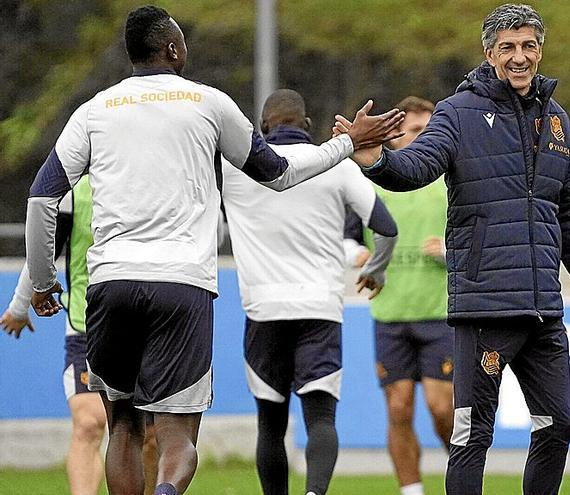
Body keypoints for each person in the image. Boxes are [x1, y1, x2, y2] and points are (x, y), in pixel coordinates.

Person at [23, 5, 403, 495]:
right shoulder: (208, 103)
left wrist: (41, 281)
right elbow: (279, 174)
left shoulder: (94, 110)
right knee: (178, 433)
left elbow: (41, 197)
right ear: (173, 49)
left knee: (122, 424)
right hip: (182, 285)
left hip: (110, 282)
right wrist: (346, 144)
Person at [336, 5, 570, 494]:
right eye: (508, 48)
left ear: (540, 50)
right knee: (470, 435)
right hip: (484, 307)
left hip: (543, 307)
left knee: (558, 424)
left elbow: (567, 207)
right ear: (489, 54)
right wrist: (375, 159)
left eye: (529, 46)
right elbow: (415, 168)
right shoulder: (457, 112)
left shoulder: (557, 118)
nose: (520, 58)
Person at [221, 88, 398, 495]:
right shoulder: (336, 166)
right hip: (319, 307)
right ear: (307, 125)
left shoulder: (234, 169)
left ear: (263, 127)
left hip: (262, 309)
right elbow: (385, 227)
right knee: (320, 420)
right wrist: (376, 271)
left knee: (271, 425)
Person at [2, 179, 159, 495]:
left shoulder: (152, 178)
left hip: (147, 326)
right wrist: (19, 306)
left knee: (151, 432)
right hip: (87, 325)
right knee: (89, 422)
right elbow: (44, 247)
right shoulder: (76, 190)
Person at [347, 96, 454, 495]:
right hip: (390, 313)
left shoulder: (448, 181)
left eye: (429, 131)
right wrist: (357, 253)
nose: (423, 138)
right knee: (398, 407)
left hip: (440, 312)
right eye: (415, 131)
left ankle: (460, 476)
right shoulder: (371, 180)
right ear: (394, 136)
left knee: (443, 409)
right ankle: (411, 490)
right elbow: (347, 232)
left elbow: (477, 239)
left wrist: (447, 251)